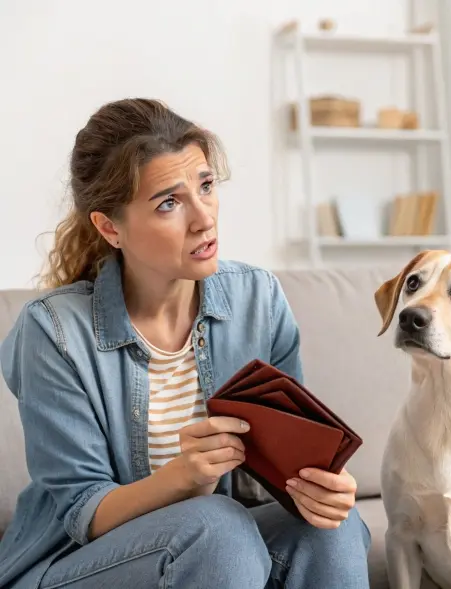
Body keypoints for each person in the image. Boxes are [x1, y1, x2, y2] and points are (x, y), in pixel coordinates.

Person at [0, 98, 371, 589]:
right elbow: (82, 512)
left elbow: (288, 463)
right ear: (110, 227)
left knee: (332, 530)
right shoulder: (52, 332)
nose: (204, 219)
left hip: (212, 553)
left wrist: (321, 490)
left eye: (206, 186)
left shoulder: (258, 300)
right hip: (76, 564)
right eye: (169, 203)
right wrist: (183, 478)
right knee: (215, 524)